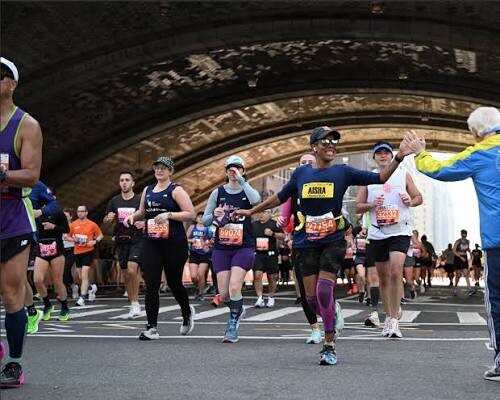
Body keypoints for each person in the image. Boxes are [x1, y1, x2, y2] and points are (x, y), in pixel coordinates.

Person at [236, 126, 417, 364]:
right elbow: (280, 197)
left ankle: (329, 344)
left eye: (334, 141)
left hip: (333, 240)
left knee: (323, 291)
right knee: (312, 299)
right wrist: (252, 211)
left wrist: (400, 156)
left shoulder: (343, 172)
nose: (331, 145)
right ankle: (333, 311)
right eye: (325, 141)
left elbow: (380, 178)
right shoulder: (301, 174)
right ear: (314, 147)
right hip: (306, 241)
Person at [409, 107, 500, 381]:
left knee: (496, 298)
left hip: (497, 240)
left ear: (476, 132)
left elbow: (440, 169)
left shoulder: (480, 152)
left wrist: (420, 153)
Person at [0, 56, 43, 388]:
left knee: (11, 291)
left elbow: (31, 175)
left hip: (13, 216)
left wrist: (2, 175)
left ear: (12, 84)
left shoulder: (26, 125)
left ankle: (14, 364)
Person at [356, 141, 422, 338]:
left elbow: (418, 197)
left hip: (400, 230)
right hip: (378, 233)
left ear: (392, 156)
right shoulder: (368, 179)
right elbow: (357, 206)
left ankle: (394, 320)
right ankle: (389, 315)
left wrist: (410, 201)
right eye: (379, 153)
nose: (383, 156)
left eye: (386, 153)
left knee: (396, 270)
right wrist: (371, 205)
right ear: (374, 157)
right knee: (383, 277)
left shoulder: (403, 175)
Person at [124, 156, 195, 340]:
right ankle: (152, 328)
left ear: (170, 171)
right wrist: (132, 217)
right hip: (152, 242)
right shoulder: (147, 190)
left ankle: (187, 312)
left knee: (174, 283)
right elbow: (142, 212)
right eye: (157, 167)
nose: (159, 170)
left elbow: (190, 214)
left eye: (163, 168)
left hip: (174, 243)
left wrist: (169, 215)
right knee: (152, 283)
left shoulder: (176, 190)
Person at [202, 155, 261, 343]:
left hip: (243, 246)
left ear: (243, 171)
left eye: (237, 168)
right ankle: (238, 308)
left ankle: (232, 326)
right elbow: (205, 220)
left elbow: (256, 200)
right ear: (226, 172)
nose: (233, 171)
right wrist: (215, 214)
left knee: (235, 286)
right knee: (225, 293)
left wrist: (242, 181)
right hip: (222, 247)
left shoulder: (247, 190)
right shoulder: (217, 192)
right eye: (230, 169)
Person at [103, 171, 143, 318]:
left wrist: (143, 223)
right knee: (126, 275)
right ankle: (133, 303)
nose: (124, 183)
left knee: (132, 270)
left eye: (127, 180)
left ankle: (136, 302)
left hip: (137, 239)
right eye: (122, 180)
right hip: (121, 240)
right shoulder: (114, 201)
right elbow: (106, 222)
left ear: (133, 183)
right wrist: (108, 219)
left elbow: (148, 216)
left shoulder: (139, 200)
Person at [68, 205, 103, 306]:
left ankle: (82, 298)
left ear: (86, 212)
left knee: (84, 275)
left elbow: (100, 235)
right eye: (78, 211)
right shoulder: (73, 224)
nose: (80, 213)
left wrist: (94, 241)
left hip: (88, 251)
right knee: (80, 277)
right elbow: (68, 237)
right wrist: (73, 239)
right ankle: (91, 287)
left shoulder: (92, 224)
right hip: (77, 252)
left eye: (82, 211)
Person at [252, 209, 285, 308]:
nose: (261, 214)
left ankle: (271, 297)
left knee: (272, 277)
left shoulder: (274, 224)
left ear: (268, 213)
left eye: (263, 212)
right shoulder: (254, 225)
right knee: (257, 275)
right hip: (258, 254)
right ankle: (259, 298)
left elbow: (283, 236)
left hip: (271, 254)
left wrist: (273, 234)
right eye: (259, 212)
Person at [186, 211, 213, 301]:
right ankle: (198, 288)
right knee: (194, 276)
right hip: (194, 253)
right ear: (196, 218)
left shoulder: (208, 228)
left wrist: (207, 243)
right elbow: (185, 238)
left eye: (203, 216)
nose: (201, 218)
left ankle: (201, 293)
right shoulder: (192, 227)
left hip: (204, 254)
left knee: (200, 274)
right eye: (199, 216)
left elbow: (212, 240)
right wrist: (191, 240)